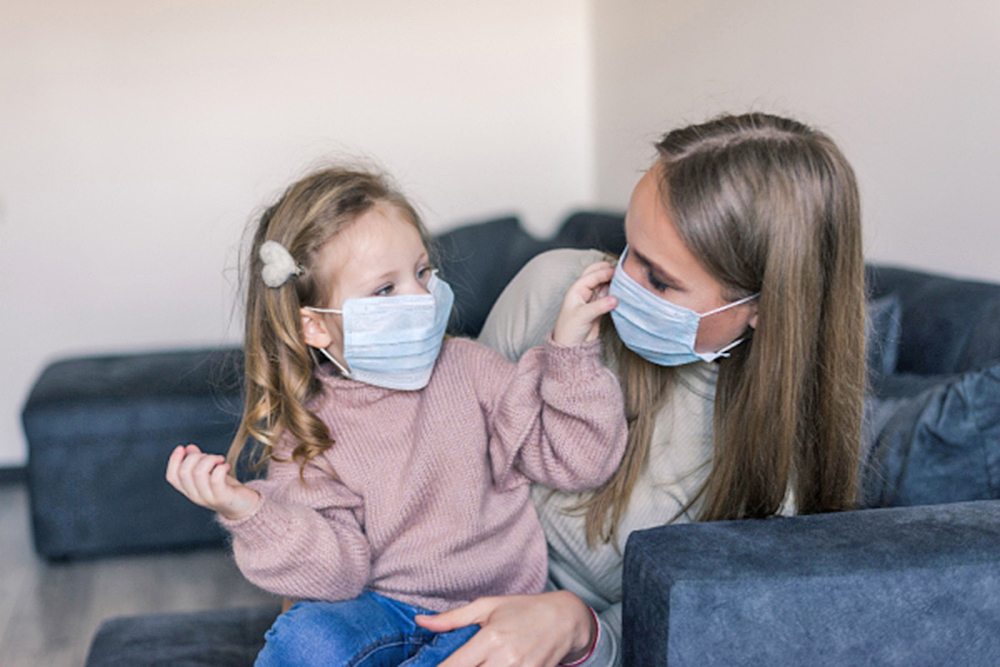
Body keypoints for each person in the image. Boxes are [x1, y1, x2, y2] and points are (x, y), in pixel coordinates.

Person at [416, 112, 866, 666]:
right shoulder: (555, 284)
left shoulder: (778, 470)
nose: (620, 286)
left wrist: (582, 629)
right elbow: (439, 450)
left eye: (659, 280)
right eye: (627, 248)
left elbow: (705, 638)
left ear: (766, 308)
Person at [164, 166, 629, 666]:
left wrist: (571, 355)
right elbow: (336, 575)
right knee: (304, 639)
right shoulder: (308, 430)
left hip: (490, 612)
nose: (421, 298)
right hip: (381, 609)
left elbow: (578, 463)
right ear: (315, 327)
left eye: (423, 271)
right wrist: (247, 511)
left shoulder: (472, 368)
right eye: (385, 289)